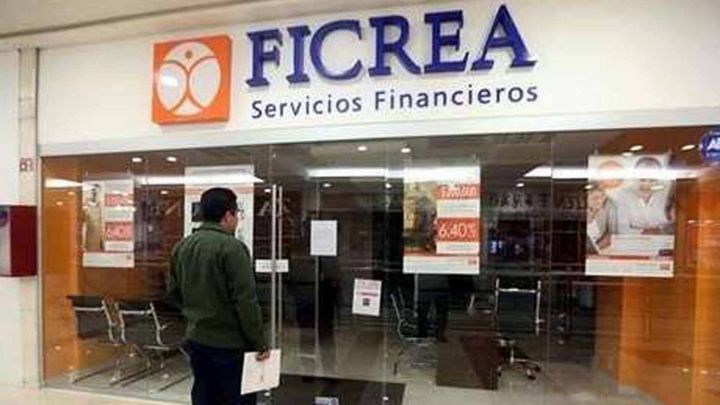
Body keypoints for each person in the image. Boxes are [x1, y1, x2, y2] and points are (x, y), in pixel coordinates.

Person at [167, 188, 268, 405]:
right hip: (230, 344)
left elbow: (172, 292)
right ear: (228, 215)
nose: (237, 220)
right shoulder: (233, 248)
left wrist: (194, 314)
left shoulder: (182, 246)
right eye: (236, 214)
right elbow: (246, 301)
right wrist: (258, 341)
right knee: (237, 398)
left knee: (204, 395)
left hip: (196, 339)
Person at [615, 157, 674, 235]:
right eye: (642, 179)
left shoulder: (668, 192)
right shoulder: (624, 194)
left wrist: (660, 231)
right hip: (633, 241)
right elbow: (621, 228)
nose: (647, 184)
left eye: (652, 180)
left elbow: (676, 225)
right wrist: (644, 233)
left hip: (666, 241)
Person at [586, 182, 618, 252]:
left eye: (601, 197)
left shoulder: (603, 213)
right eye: (595, 198)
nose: (599, 201)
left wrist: (598, 247)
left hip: (597, 251)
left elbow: (610, 234)